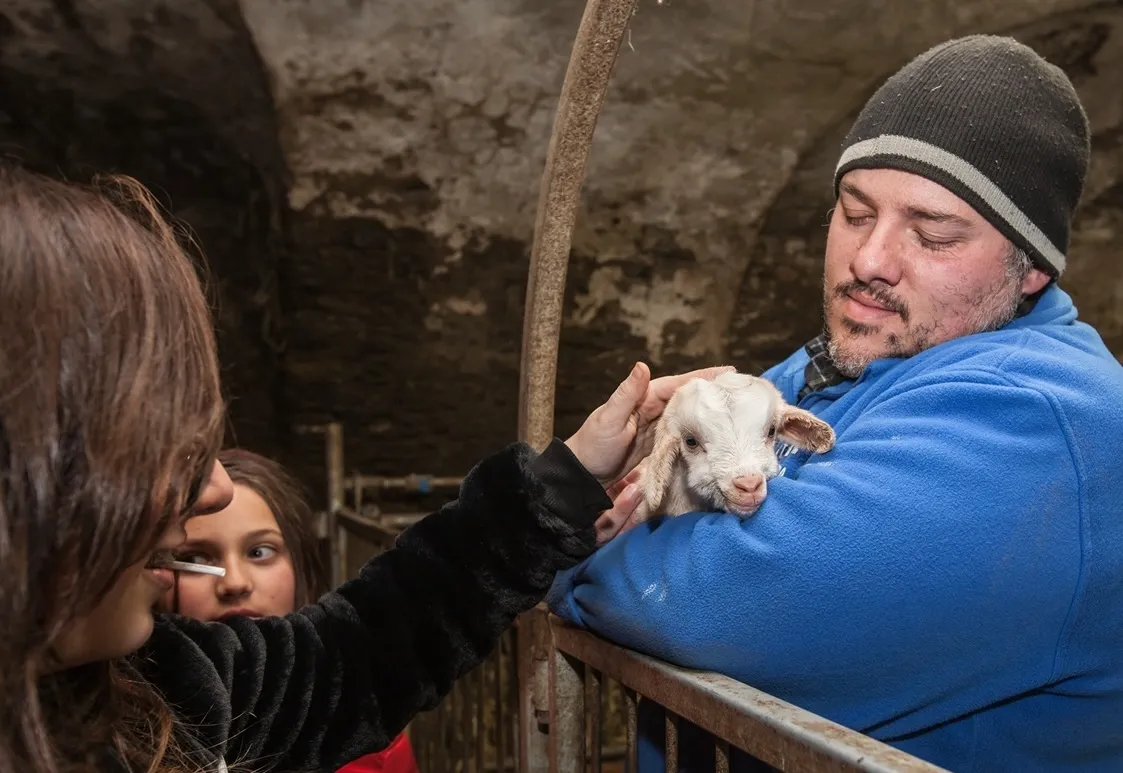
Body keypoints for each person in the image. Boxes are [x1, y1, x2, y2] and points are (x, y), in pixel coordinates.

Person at [0, 161, 727, 773]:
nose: (214, 488)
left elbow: (355, 655)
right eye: (154, 450)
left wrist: (561, 481)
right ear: (34, 462)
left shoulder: (154, 686)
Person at [547, 34, 1123, 772]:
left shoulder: (1044, 421)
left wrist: (560, 543)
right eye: (854, 213)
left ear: (1032, 269)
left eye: (932, 234)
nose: (869, 261)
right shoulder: (848, 358)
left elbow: (708, 603)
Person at [162, 447, 419, 773]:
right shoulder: (130, 735)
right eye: (197, 558)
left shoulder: (367, 737)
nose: (235, 583)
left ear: (302, 568)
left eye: (259, 551)